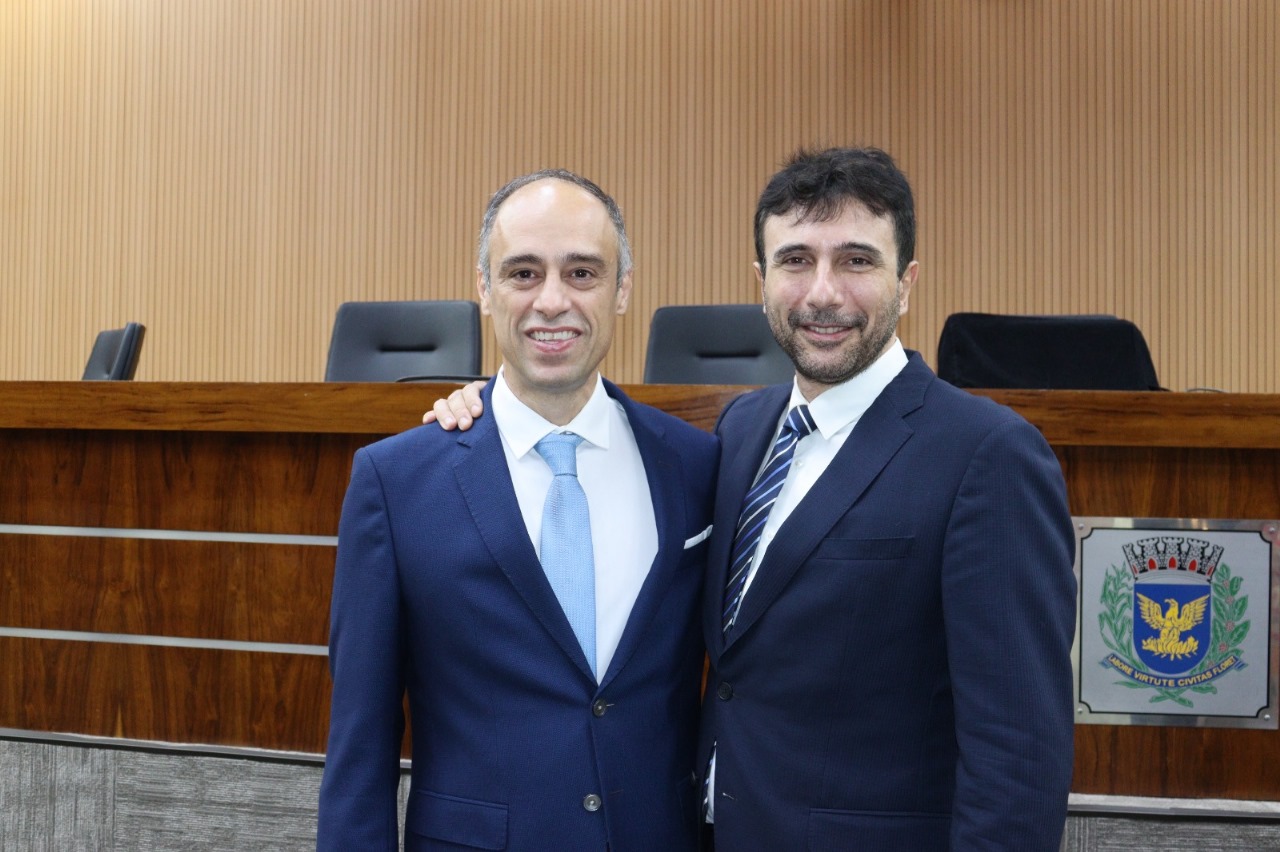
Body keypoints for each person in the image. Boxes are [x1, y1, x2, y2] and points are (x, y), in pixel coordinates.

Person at [426, 147, 1077, 851]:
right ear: (762, 282)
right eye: (796, 260)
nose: (823, 293)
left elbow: (1018, 758)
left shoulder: (990, 456)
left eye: (856, 261)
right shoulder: (741, 432)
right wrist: (494, 410)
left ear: (907, 283)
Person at [317, 169, 718, 851]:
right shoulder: (396, 482)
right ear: (485, 288)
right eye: (523, 273)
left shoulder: (695, 465)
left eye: (582, 273)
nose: (551, 302)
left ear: (622, 289)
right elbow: (361, 744)